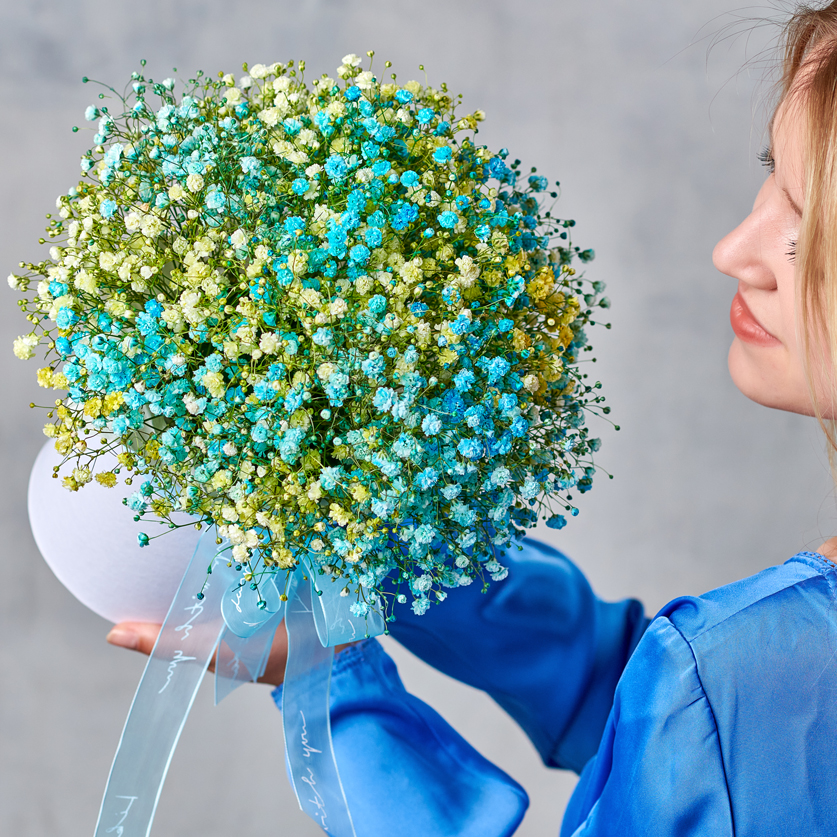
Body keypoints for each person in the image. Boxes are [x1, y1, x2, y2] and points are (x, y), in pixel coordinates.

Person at [104, 3, 837, 833]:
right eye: (769, 173)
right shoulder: (743, 676)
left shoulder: (744, 676)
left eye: (807, 224)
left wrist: (329, 680)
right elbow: (696, 750)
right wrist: (409, 549)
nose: (733, 249)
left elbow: (716, 723)